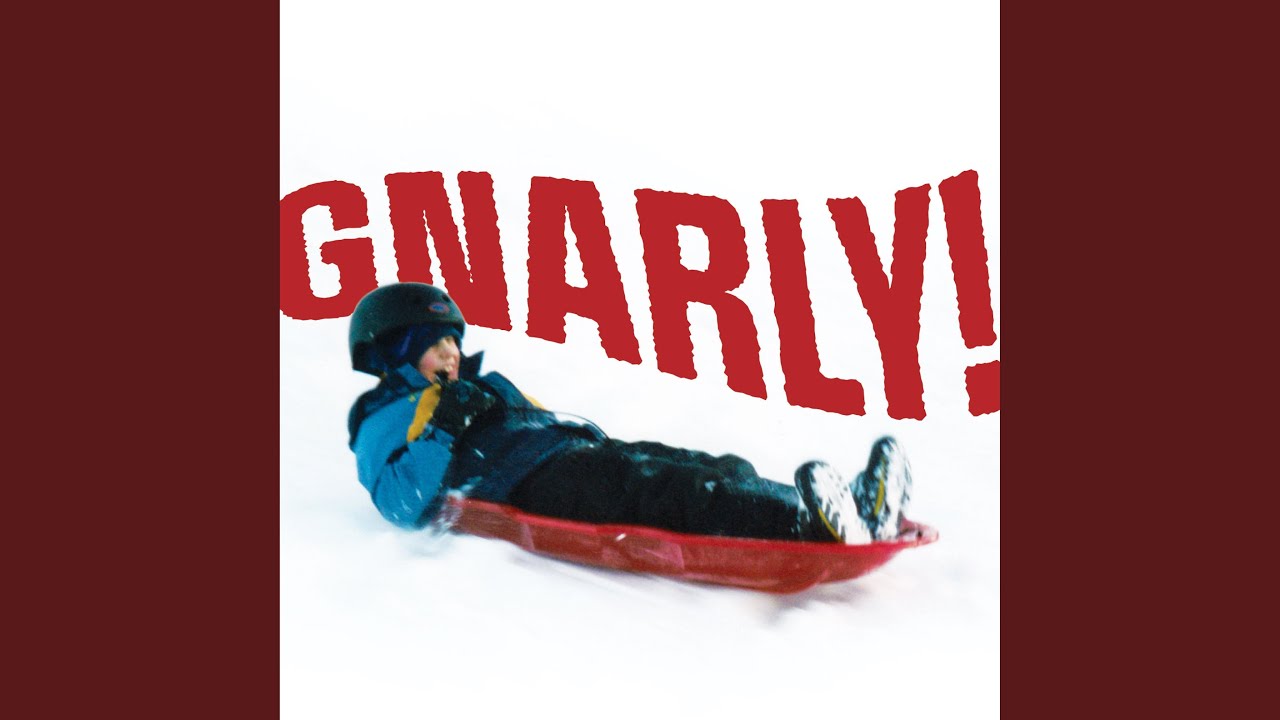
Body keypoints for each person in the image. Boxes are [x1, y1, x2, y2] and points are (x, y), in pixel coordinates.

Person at [347, 282, 913, 544]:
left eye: (452, 341)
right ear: (395, 353)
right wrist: (445, 428)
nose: (451, 353)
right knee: (670, 492)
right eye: (434, 344)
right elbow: (400, 502)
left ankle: (832, 508)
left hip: (573, 452)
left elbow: (539, 421)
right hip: (522, 482)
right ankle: (804, 528)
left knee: (713, 467)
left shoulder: (480, 387)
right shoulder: (383, 416)